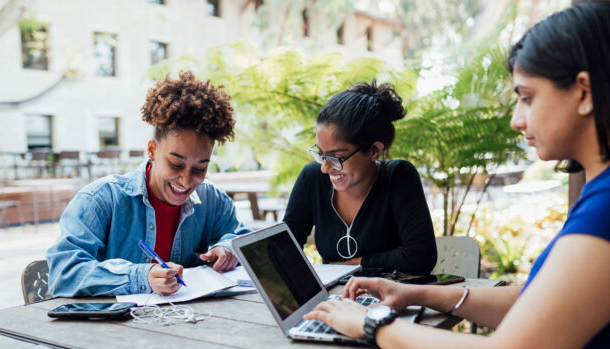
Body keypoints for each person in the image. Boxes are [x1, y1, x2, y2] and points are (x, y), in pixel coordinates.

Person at [305, 2, 610, 349]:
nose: (517, 120)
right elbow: (534, 300)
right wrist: (419, 294)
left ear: (583, 92)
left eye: (526, 97)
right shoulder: (599, 196)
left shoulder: (603, 214)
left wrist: (371, 323)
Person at [46, 71, 249, 297]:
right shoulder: (100, 200)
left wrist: (227, 249)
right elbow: (63, 273)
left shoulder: (213, 200)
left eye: (200, 168)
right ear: (152, 150)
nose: (186, 180)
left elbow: (242, 238)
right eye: (175, 164)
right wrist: (142, 276)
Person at [283, 80, 437, 275]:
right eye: (320, 154)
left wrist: (354, 264)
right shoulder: (312, 179)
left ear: (374, 151)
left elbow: (420, 256)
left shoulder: (399, 177)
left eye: (336, 157)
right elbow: (284, 247)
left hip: (391, 296)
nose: (325, 167)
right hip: (334, 298)